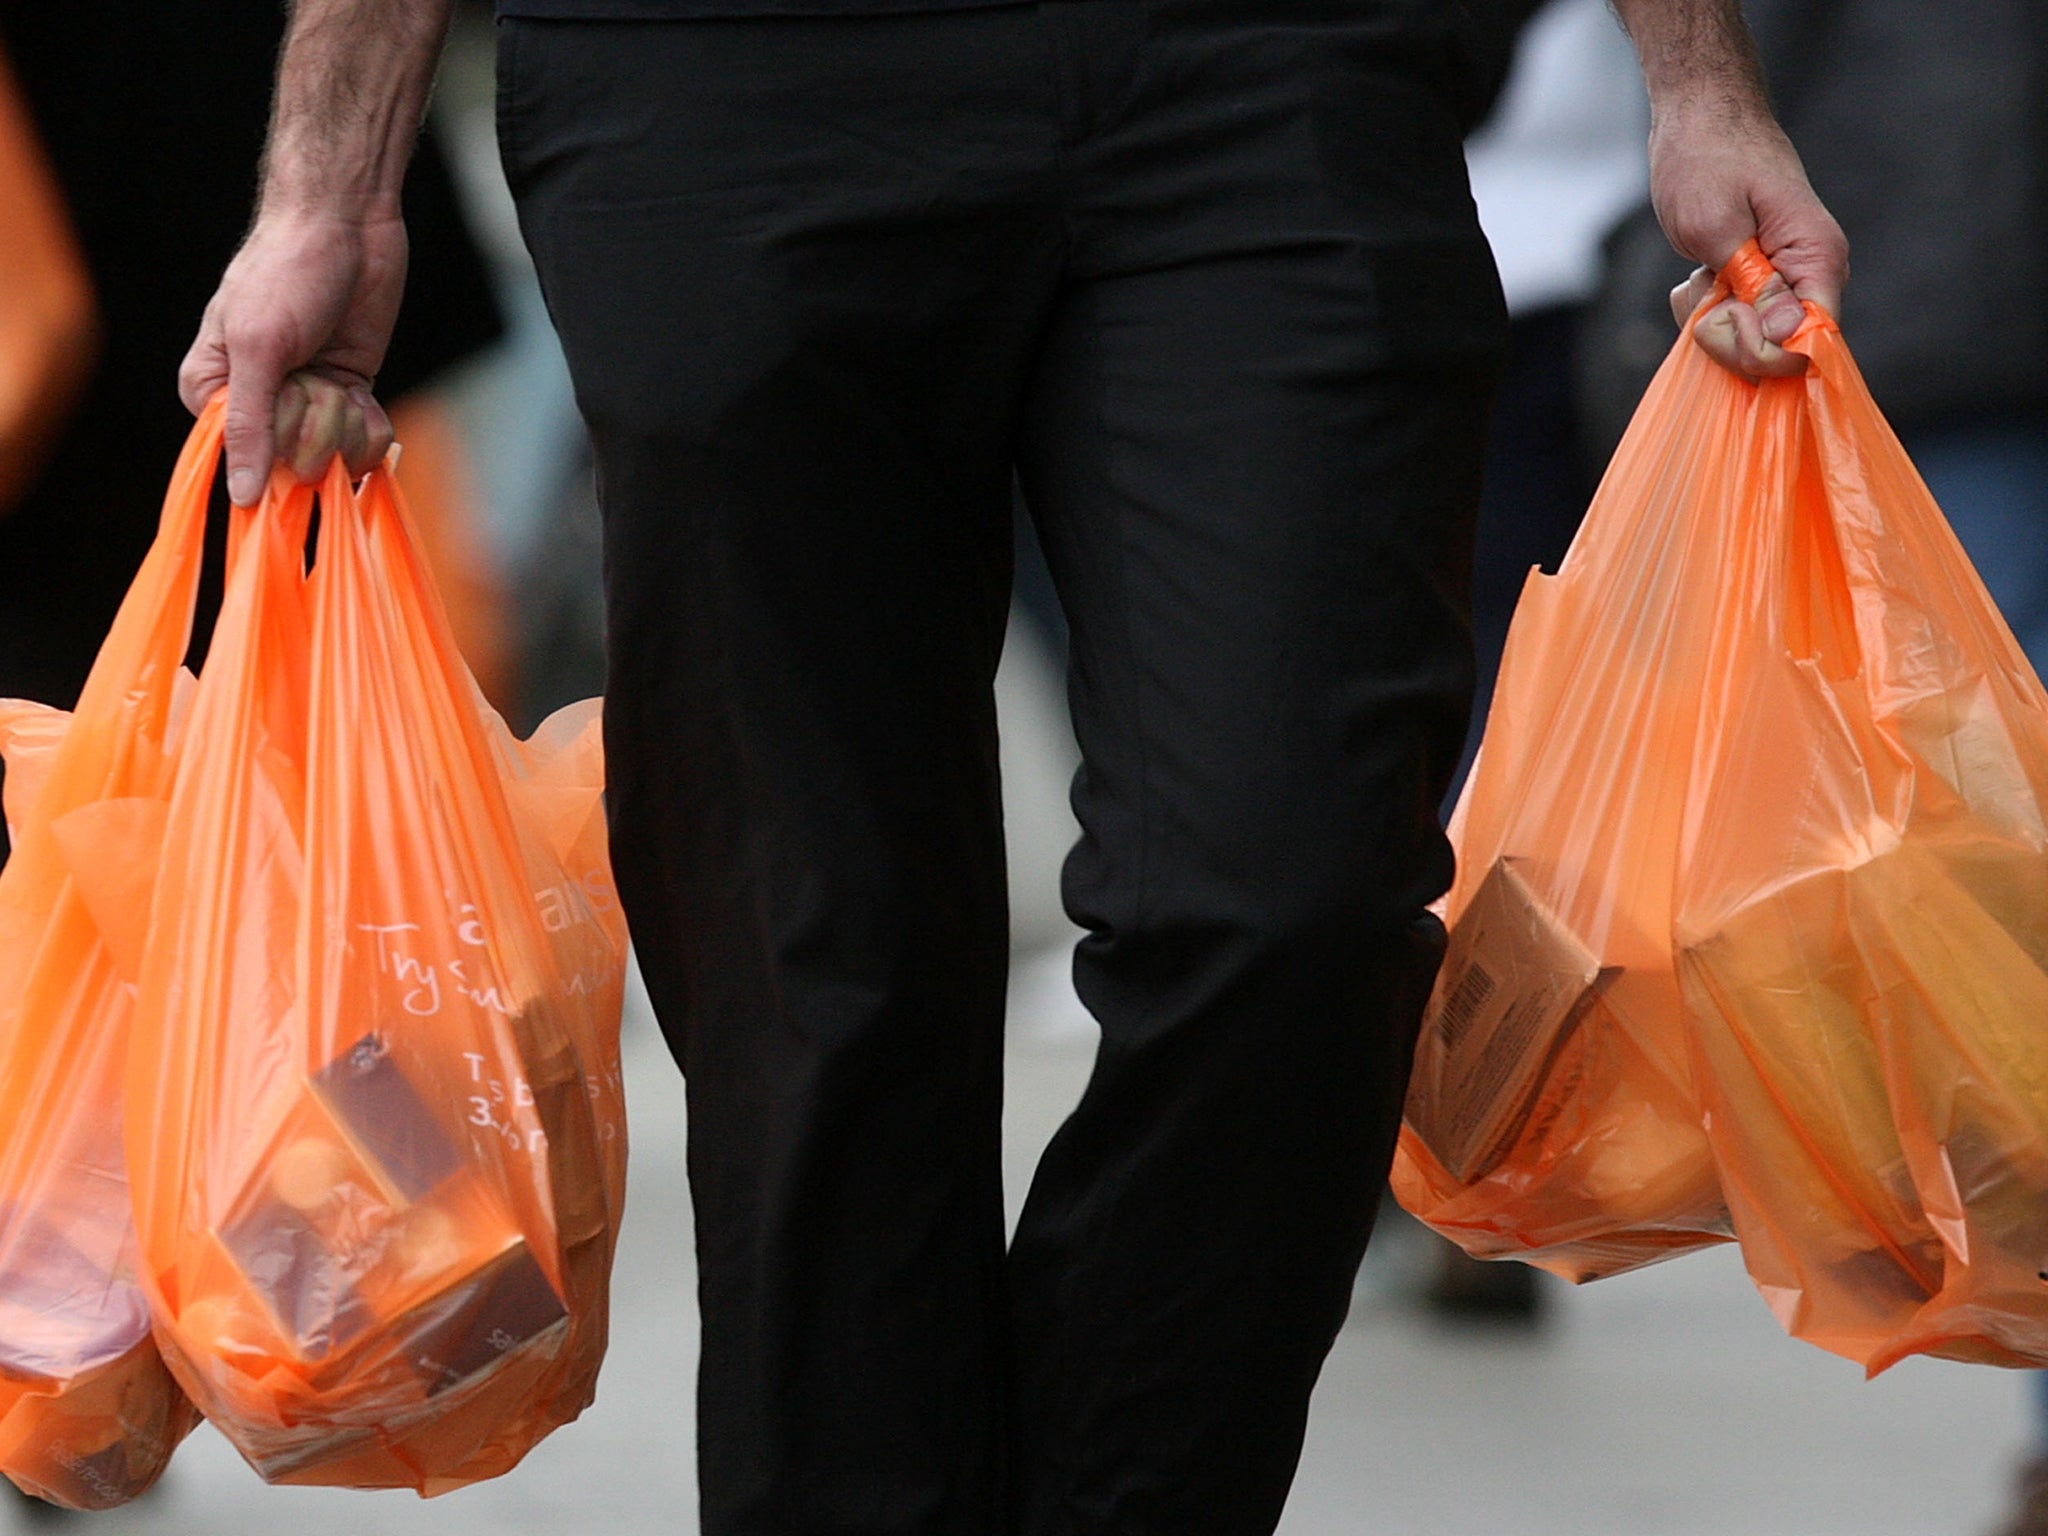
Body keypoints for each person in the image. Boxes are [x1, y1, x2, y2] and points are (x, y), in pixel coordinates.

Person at [180, 0, 1845, 1531]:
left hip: (1267, 69)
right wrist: (331, 178)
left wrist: (1700, 80)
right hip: (723, 78)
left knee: (1295, 904)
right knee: (815, 984)